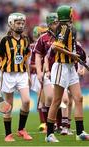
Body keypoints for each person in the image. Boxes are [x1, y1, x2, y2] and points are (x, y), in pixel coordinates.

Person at [45, 5, 89, 142]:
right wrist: (72, 55)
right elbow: (57, 46)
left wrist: (75, 56)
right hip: (61, 68)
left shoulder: (69, 28)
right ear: (67, 15)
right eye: (71, 13)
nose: (72, 14)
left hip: (70, 68)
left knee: (79, 98)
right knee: (57, 101)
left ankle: (80, 132)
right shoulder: (64, 27)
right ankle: (49, 134)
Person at [0, 12, 32, 142]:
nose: (20, 26)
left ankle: (21, 129)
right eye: (17, 23)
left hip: (22, 74)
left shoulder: (26, 39)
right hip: (8, 75)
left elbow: (26, 59)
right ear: (10, 24)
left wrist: (29, 74)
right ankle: (8, 134)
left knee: (26, 101)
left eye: (22, 23)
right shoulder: (5, 40)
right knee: (9, 105)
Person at [35, 13, 59, 133]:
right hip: (48, 72)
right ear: (49, 24)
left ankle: (62, 125)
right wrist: (39, 72)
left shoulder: (64, 37)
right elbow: (38, 56)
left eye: (58, 22)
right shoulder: (43, 38)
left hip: (62, 71)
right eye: (54, 23)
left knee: (63, 100)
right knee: (49, 97)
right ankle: (50, 124)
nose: (57, 25)